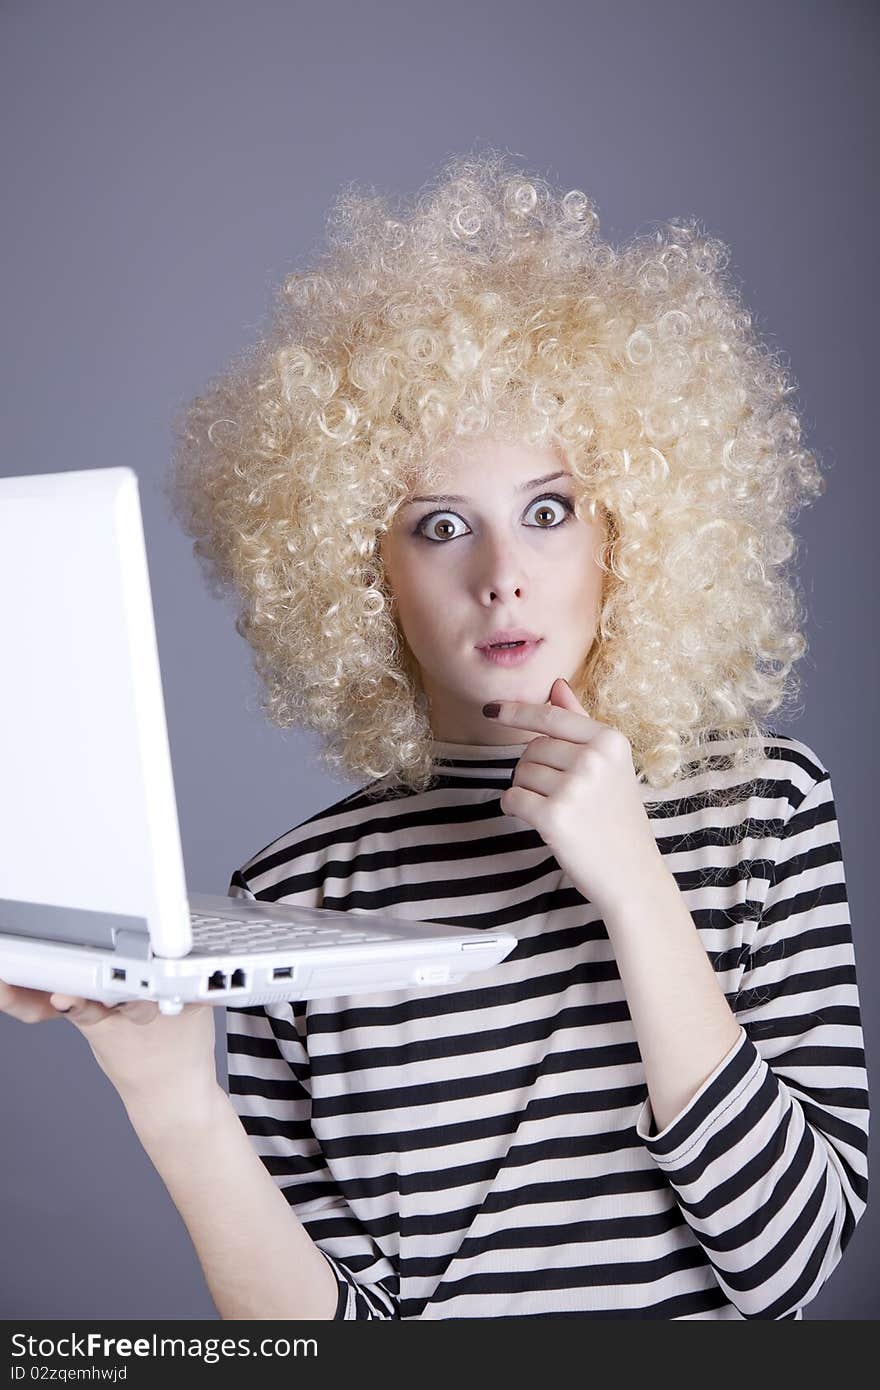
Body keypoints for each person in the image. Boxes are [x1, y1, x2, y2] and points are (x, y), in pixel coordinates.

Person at [0, 151, 868, 1320]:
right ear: (364, 571)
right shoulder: (296, 896)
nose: (503, 577)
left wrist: (638, 888)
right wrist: (171, 1099)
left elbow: (789, 1263)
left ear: (630, 533)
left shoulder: (759, 808)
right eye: (441, 525)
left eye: (549, 513)